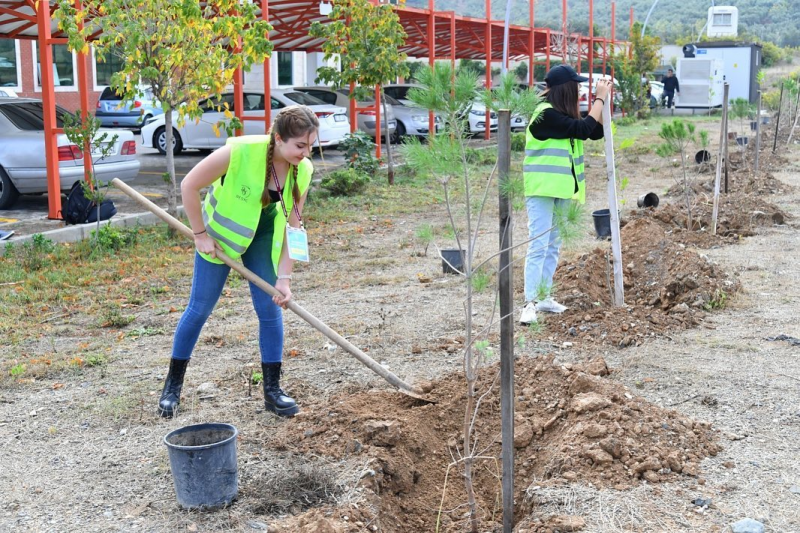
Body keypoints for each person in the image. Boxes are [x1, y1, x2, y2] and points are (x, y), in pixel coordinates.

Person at [158, 105, 320, 418]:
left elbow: (293, 227)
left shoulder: (304, 169)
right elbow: (189, 186)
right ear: (278, 138)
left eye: (310, 146)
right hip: (220, 238)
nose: (306, 152)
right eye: (300, 145)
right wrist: (200, 234)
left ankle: (272, 392)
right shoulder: (240, 152)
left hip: (261, 238)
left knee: (271, 308)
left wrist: (284, 279)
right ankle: (172, 387)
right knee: (200, 308)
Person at [520, 65, 610, 325]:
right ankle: (529, 303)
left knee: (552, 247)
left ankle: (544, 297)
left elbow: (595, 131)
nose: (580, 90)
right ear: (565, 89)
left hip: (561, 189)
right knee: (538, 245)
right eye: (577, 86)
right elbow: (583, 129)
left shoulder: (561, 115)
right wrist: (599, 99)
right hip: (541, 190)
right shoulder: (545, 115)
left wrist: (601, 103)